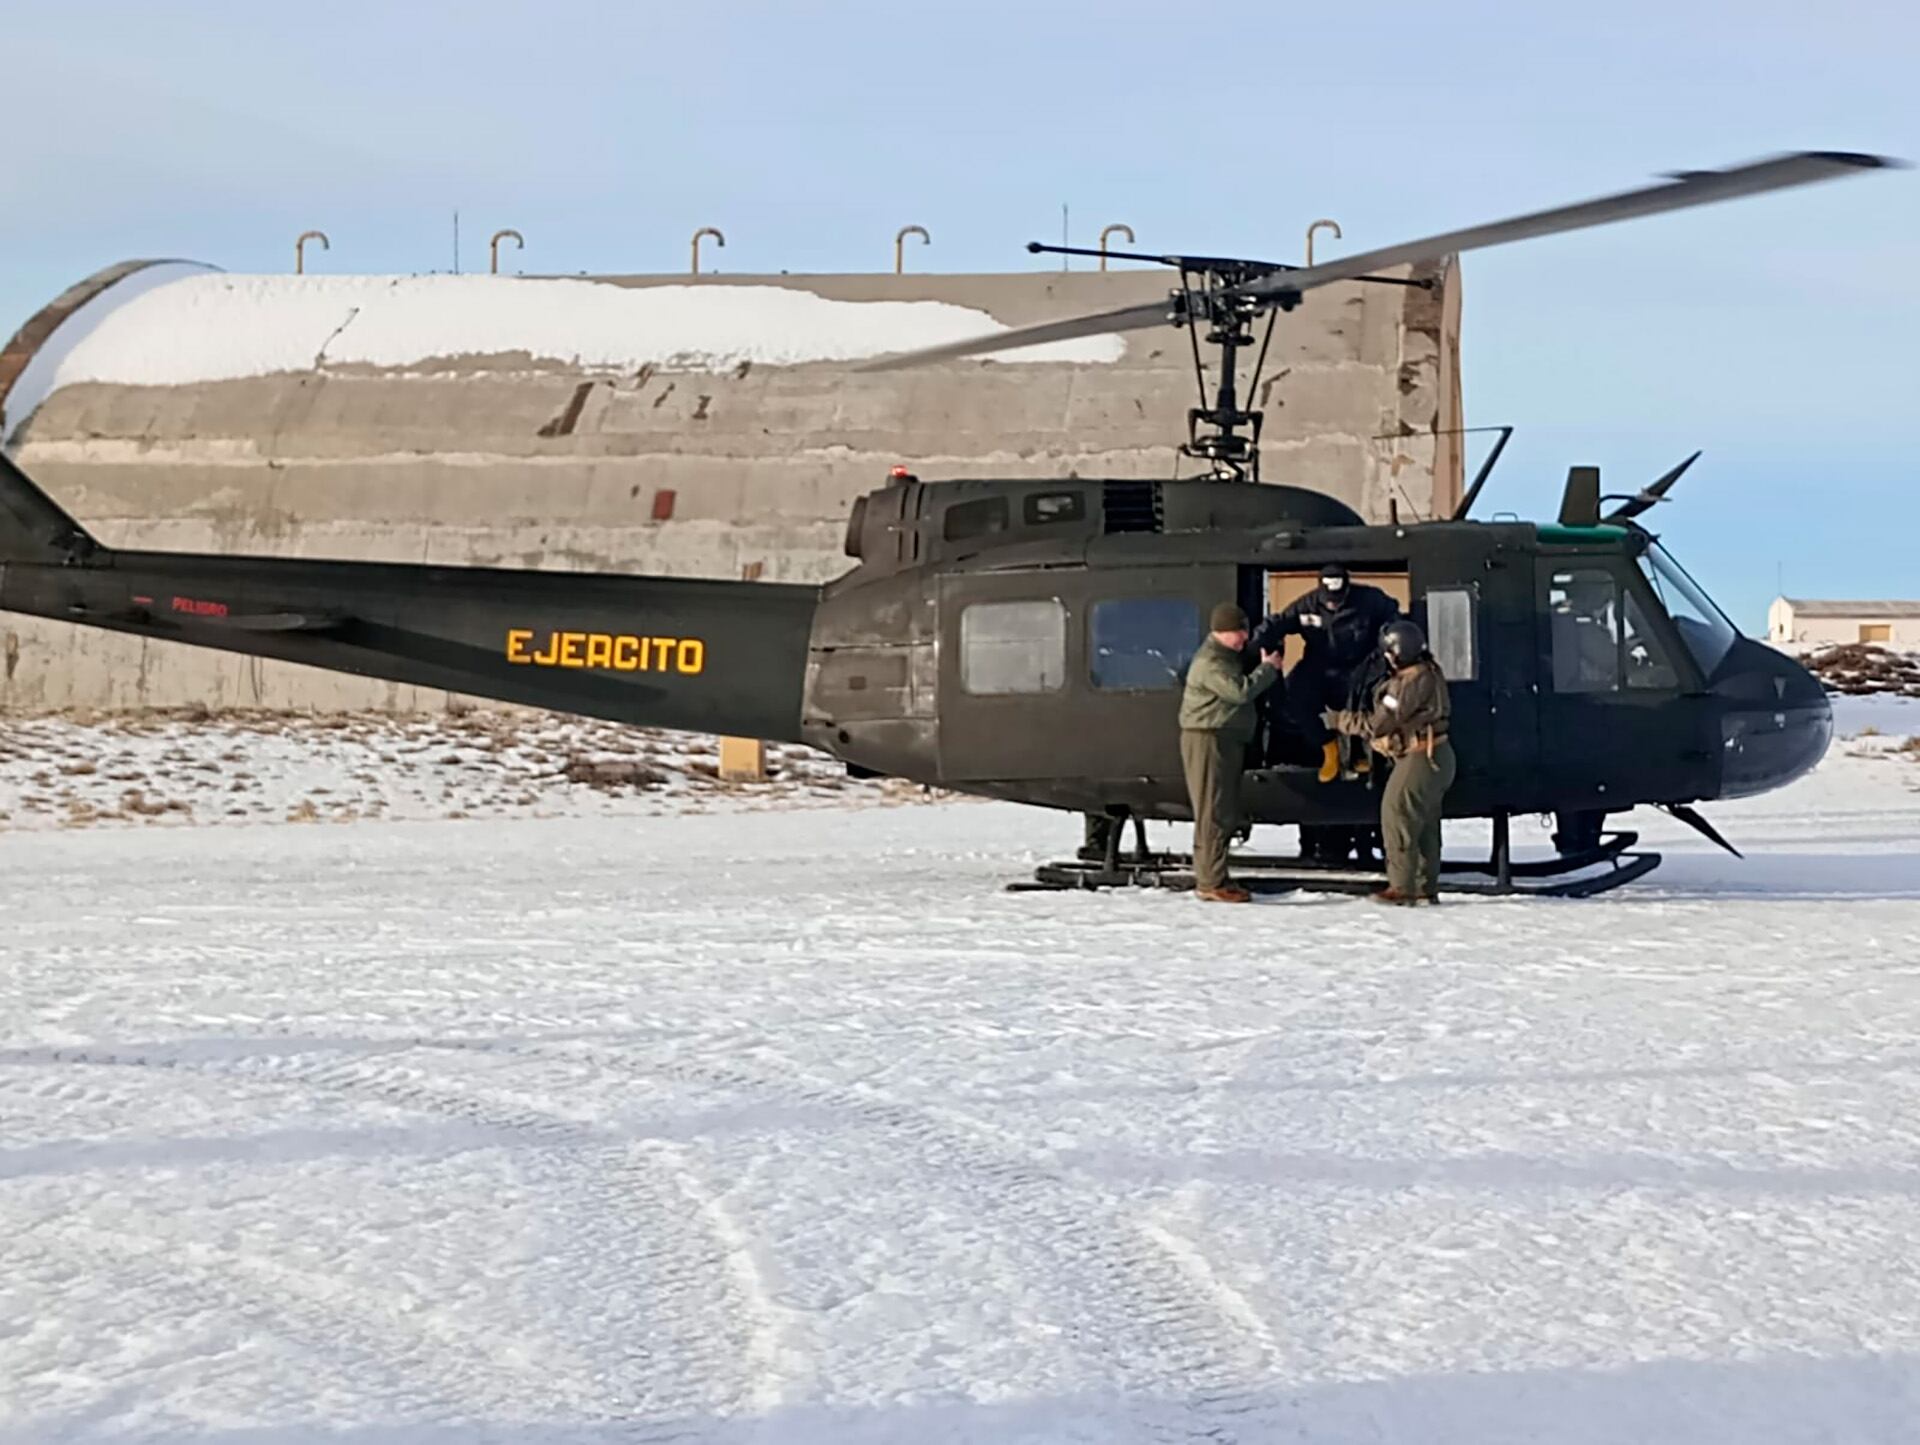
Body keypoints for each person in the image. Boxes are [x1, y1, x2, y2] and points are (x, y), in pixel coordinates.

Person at [1327, 619, 1453, 906]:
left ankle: (1401, 888)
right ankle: (1424, 885)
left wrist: (1338, 720)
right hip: (1436, 756)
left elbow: (1377, 725)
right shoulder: (1429, 672)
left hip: (1420, 756)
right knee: (1425, 822)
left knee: (1396, 813)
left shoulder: (1406, 685)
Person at [1254, 562, 1401, 784]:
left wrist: (1388, 644)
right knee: (1295, 697)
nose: (1333, 605)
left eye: (1338, 600)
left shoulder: (1370, 600)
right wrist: (1256, 641)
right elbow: (1281, 622)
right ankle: (1327, 748)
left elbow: (1393, 615)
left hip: (1359, 665)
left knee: (1371, 701)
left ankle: (1364, 753)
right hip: (1319, 664)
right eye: (1329, 601)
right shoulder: (1309, 604)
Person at [1179, 602, 1281, 903]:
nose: (1244, 639)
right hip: (1209, 739)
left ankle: (1214, 875)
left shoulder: (1224, 657)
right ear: (1224, 631)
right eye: (1240, 632)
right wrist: (1268, 669)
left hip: (1220, 739)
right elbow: (1239, 692)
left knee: (1219, 808)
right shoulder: (1212, 662)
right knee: (1213, 809)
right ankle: (1211, 881)